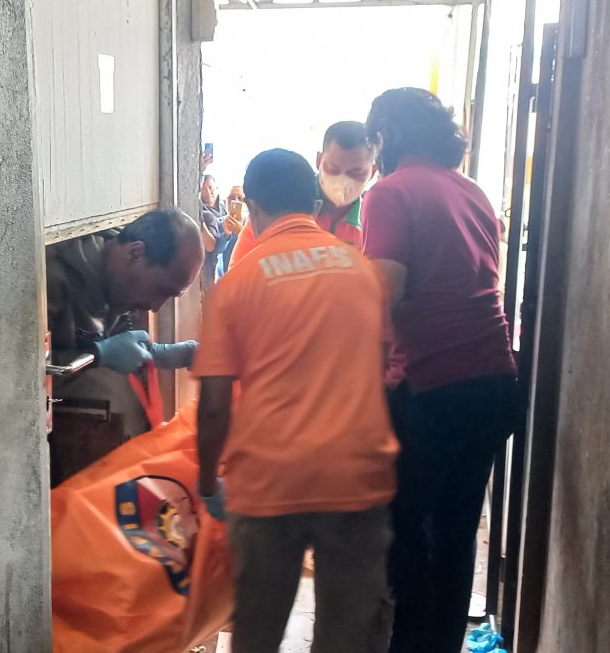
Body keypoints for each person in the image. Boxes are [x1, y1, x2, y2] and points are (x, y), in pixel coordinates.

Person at [192, 149, 399, 653]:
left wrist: (207, 482)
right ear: (314, 202)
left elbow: (214, 405)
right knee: (347, 637)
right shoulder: (363, 273)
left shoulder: (235, 285)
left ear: (251, 205)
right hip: (355, 477)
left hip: (269, 480)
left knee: (257, 633)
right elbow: (380, 370)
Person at [361, 88, 520, 653]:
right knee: (454, 531)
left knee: (403, 531)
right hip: (495, 385)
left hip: (434, 387)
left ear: (386, 136)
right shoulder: (472, 191)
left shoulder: (390, 193)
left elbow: (383, 296)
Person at [46, 208, 204, 438]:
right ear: (135, 253)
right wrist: (97, 355)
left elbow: (120, 347)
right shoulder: (50, 279)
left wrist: (167, 354)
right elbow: (20, 380)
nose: (155, 307)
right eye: (161, 290)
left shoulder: (117, 285)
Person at [227, 121, 377, 266]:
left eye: (356, 172)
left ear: (372, 172)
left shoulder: (374, 223)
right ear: (319, 160)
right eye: (333, 168)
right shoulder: (283, 202)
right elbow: (238, 268)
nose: (342, 180)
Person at [198, 174, 236, 290]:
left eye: (211, 188)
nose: (208, 192)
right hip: (213, 264)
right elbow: (214, 248)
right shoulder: (204, 214)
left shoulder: (225, 207)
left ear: (216, 187)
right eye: (204, 189)